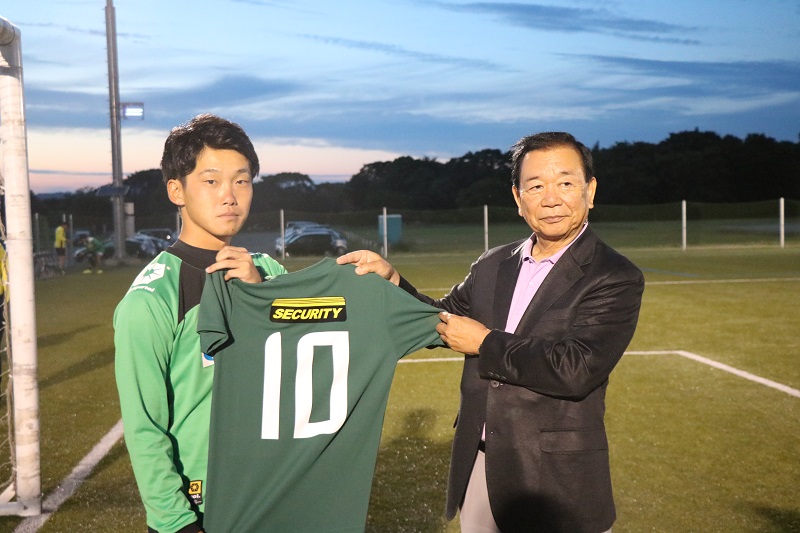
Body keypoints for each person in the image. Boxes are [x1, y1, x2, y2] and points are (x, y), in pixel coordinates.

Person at [338, 132, 645, 533]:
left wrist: (484, 343)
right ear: (518, 197)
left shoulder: (614, 275)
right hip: (480, 463)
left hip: (556, 480)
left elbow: (576, 368)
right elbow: (444, 318)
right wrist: (394, 281)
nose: (551, 199)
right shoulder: (494, 263)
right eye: (536, 186)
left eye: (566, 183)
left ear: (590, 191)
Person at [114, 113, 286, 533]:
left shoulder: (269, 272)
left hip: (275, 493)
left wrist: (259, 296)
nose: (229, 196)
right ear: (177, 190)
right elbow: (144, 427)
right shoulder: (152, 298)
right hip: (201, 513)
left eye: (241, 181)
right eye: (211, 181)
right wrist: (178, 523)